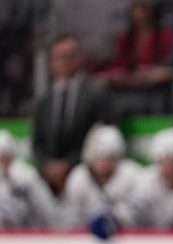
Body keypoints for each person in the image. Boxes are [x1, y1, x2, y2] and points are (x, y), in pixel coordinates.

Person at [32, 34, 113, 197]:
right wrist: (48, 166)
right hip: (48, 181)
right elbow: (37, 143)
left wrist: (68, 164)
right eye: (60, 57)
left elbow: (105, 138)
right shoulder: (44, 100)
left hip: (87, 178)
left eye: (70, 56)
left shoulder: (97, 94)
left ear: (79, 58)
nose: (65, 61)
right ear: (52, 62)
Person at [63, 124, 143, 227]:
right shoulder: (78, 178)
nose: (105, 164)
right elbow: (71, 215)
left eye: (110, 158)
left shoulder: (132, 175)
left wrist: (115, 218)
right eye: (100, 158)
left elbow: (137, 214)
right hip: (83, 236)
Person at [0, 130, 61, 228]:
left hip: (30, 233)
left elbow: (48, 210)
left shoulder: (26, 175)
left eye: (4, 157)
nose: (2, 162)